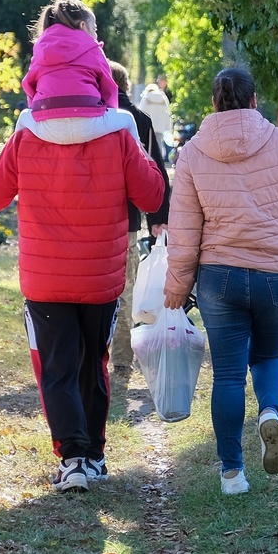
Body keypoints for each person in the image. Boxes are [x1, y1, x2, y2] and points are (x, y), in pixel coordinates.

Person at [0, 37, 167, 493]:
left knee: (57, 368)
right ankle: (95, 456)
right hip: (100, 275)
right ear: (96, 75)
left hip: (45, 277)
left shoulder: (25, 133)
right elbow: (152, 195)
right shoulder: (119, 130)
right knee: (93, 364)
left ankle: (73, 459)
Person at [163, 66, 278, 495]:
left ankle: (232, 474)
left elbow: (184, 231)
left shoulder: (193, 153)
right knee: (269, 357)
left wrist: (176, 287)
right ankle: (270, 413)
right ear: (254, 100)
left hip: (218, 277)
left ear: (214, 103)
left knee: (227, 375)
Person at [107, 61, 170, 385]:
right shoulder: (140, 120)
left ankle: (94, 356)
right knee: (124, 290)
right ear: (126, 85)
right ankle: (121, 361)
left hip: (90, 217)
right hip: (127, 220)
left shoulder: (93, 117)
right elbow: (155, 171)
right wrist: (157, 218)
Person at [17, 0, 136, 144]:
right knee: (129, 119)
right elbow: (108, 88)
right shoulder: (93, 48)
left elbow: (29, 85)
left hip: (48, 129)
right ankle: (143, 157)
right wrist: (108, 112)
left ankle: (14, 156)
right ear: (83, 25)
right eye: (94, 29)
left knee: (23, 117)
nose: (95, 35)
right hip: (89, 125)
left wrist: (37, 109)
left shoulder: (40, 49)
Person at [138, 75, 173, 140]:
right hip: (160, 127)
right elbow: (168, 113)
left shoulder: (146, 98)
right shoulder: (163, 98)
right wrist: (168, 127)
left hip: (147, 127)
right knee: (158, 143)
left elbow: (141, 113)